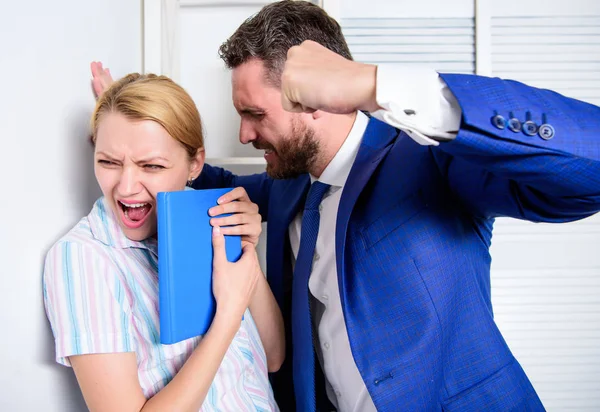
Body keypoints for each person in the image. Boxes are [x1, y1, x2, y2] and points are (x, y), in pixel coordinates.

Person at [92, 1, 600, 411]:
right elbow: (196, 172)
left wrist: (377, 85)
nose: (244, 134)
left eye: (254, 115)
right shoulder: (286, 186)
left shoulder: (431, 162)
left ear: (315, 100)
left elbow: (589, 170)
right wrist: (133, 126)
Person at [43, 73, 284, 411]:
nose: (126, 187)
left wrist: (247, 253)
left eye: (151, 166)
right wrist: (228, 314)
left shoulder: (210, 216)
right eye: (108, 162)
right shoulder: (85, 257)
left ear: (194, 164)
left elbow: (273, 357)